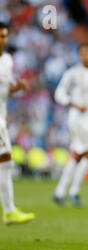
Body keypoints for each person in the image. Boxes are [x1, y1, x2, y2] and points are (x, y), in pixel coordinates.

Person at [52, 43, 88, 208]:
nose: (86, 56)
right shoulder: (72, 73)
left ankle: (61, 192)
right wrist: (73, 103)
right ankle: (72, 192)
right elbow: (59, 93)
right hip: (77, 117)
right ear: (79, 55)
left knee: (79, 154)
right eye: (83, 53)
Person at [0, 22, 35, 225]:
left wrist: (17, 87)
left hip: (2, 116)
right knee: (5, 158)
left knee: (5, 159)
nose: (2, 40)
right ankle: (9, 209)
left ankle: (9, 210)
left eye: (4, 36)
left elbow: (4, 89)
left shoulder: (7, 60)